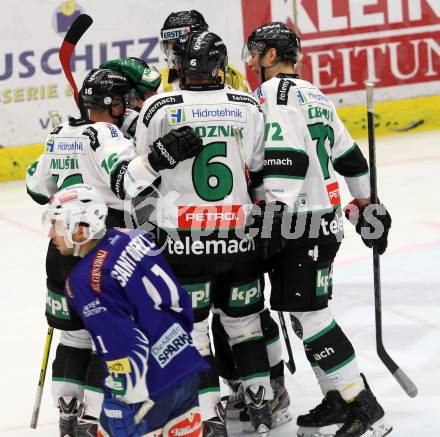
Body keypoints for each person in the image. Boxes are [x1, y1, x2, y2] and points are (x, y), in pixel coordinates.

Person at [26, 68, 201, 436]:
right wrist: (160, 155)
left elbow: (36, 187)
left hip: (60, 248)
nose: (128, 108)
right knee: (100, 336)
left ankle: (68, 408)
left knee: (72, 335)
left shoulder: (58, 134)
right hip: (98, 252)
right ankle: (93, 419)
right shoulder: (106, 132)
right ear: (112, 105)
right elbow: (126, 182)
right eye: (123, 102)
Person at [242, 22, 393, 437]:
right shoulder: (314, 93)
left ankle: (366, 410)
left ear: (271, 56)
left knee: (313, 316)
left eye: (255, 52)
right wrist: (368, 206)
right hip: (318, 221)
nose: (250, 60)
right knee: (303, 313)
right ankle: (336, 399)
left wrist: (272, 215)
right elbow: (351, 158)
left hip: (298, 223)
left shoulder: (274, 94)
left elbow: (287, 161)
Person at [125, 30, 274, 436]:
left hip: (184, 240)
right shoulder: (247, 104)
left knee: (194, 331)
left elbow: (138, 179)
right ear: (221, 66)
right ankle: (262, 407)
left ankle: (209, 416)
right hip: (239, 234)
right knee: (245, 326)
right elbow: (259, 171)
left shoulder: (157, 107)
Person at [44, 183, 207, 437]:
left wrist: (121, 402)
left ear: (79, 228)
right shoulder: (134, 236)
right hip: (184, 369)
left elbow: (122, 344)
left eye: (56, 224)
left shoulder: (84, 280)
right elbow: (181, 302)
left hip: (147, 390)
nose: (50, 234)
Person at [159, 10, 250, 93]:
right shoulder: (159, 80)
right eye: (169, 44)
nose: (173, 53)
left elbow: (249, 106)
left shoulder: (229, 74)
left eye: (179, 45)